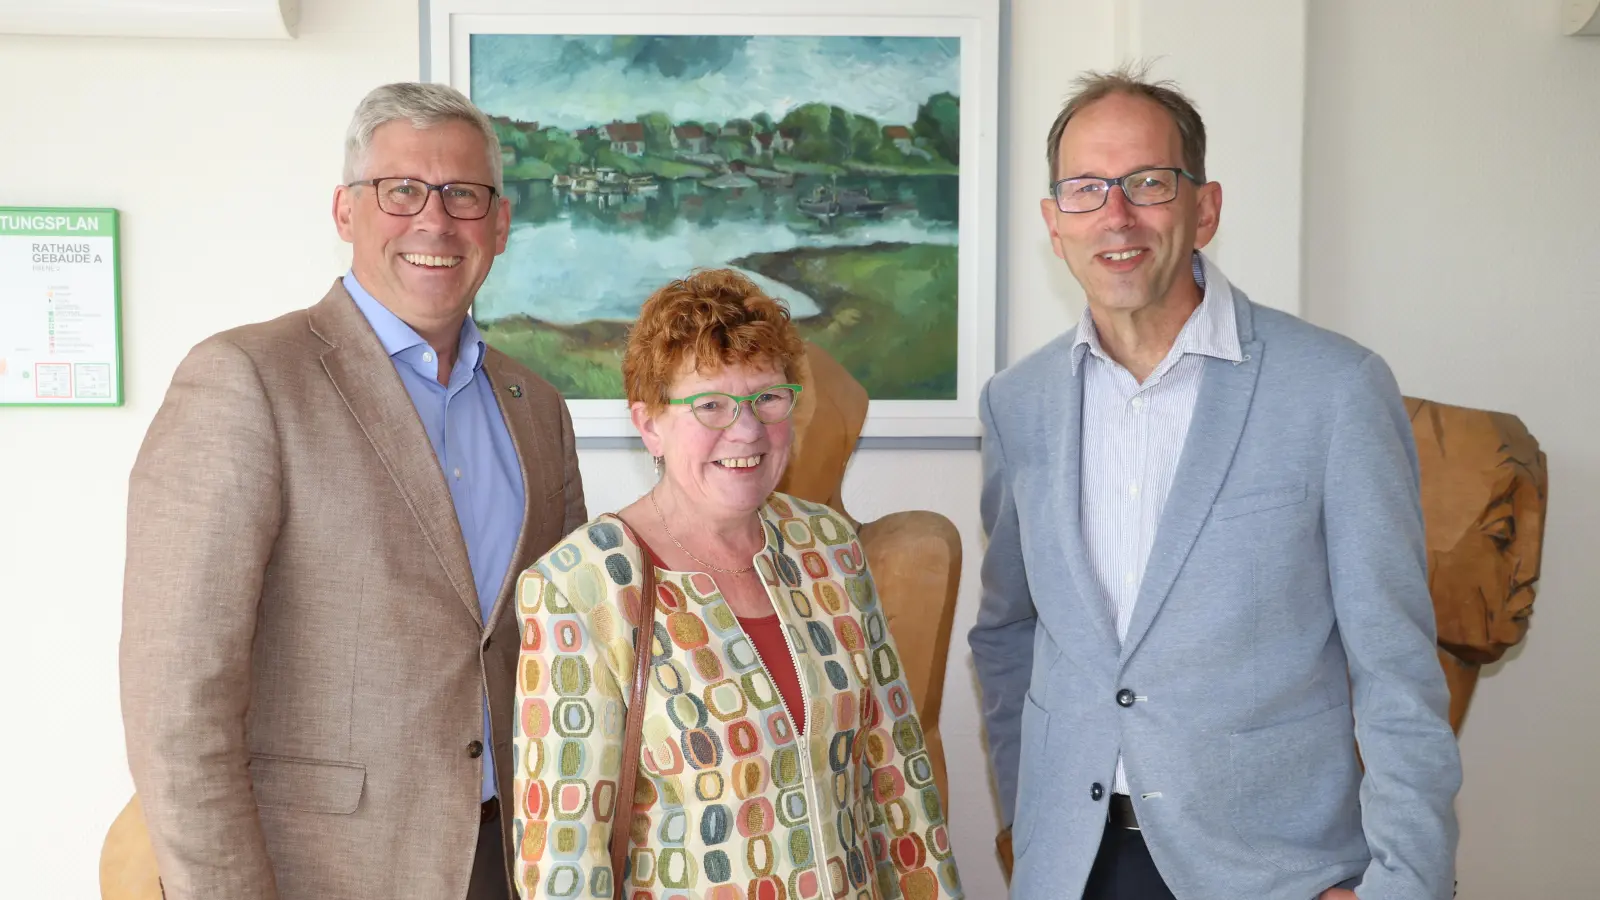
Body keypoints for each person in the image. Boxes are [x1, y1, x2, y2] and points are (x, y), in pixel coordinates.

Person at [970, 65, 1461, 900]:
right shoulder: (1018, 404)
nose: (1116, 215)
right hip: (1072, 866)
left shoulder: (1335, 389)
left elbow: (1396, 666)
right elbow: (1009, 633)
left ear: (1205, 209)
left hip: (1270, 873)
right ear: (1054, 223)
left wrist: (1405, 886)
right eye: (1086, 189)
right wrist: (1031, 821)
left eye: (1148, 183)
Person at [119, 82, 586, 900]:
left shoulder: (536, 408)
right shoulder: (248, 379)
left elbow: (567, 647)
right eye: (401, 190)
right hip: (321, 871)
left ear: (500, 225)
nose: (433, 220)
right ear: (345, 212)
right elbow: (175, 700)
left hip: (510, 858)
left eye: (463, 195)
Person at [511, 269, 963, 900]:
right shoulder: (584, 587)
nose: (746, 431)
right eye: (711, 404)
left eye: (767, 398)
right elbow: (563, 862)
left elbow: (899, 784)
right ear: (649, 424)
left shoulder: (829, 550)